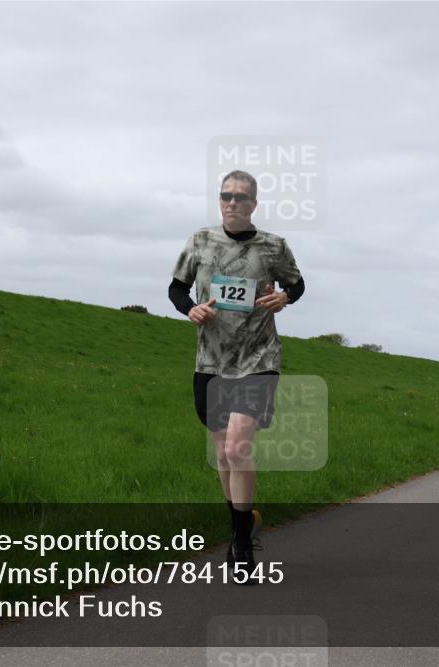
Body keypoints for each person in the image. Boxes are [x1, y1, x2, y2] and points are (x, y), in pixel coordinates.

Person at [168, 170, 305, 579]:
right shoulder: (200, 241)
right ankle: (241, 525)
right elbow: (177, 288)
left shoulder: (274, 246)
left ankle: (243, 545)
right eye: (225, 196)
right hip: (211, 362)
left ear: (254, 204)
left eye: (240, 197)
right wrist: (189, 309)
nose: (231, 202)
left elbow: (296, 285)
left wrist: (284, 297)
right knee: (223, 453)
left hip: (259, 359)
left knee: (238, 445)